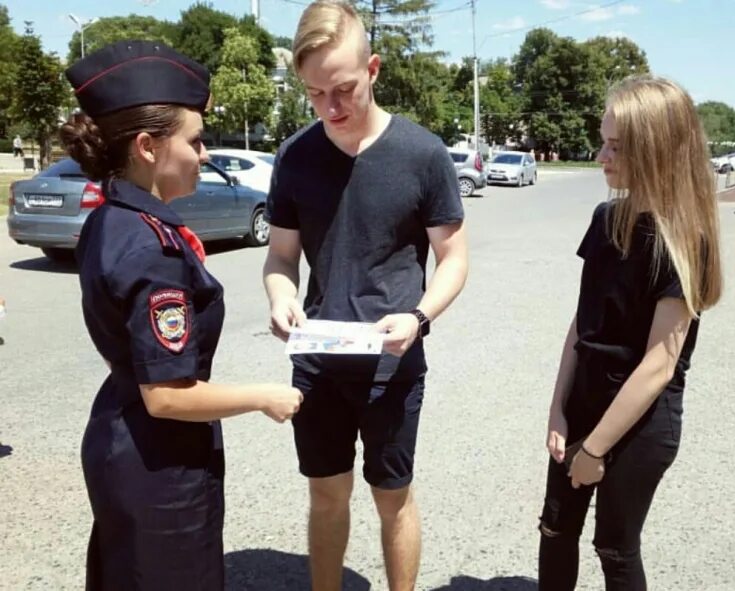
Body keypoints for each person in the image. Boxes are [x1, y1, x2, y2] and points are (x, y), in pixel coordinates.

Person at [60, 40, 303, 590]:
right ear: (147, 146)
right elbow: (167, 394)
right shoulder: (152, 249)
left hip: (121, 441)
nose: (204, 155)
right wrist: (266, 397)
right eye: (194, 141)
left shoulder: (112, 215)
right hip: (157, 464)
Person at [263, 2, 468, 589]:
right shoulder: (296, 155)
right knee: (327, 498)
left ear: (373, 69)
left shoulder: (422, 154)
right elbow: (280, 256)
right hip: (319, 364)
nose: (331, 107)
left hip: (393, 363)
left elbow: (454, 258)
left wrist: (419, 316)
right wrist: (281, 294)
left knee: (392, 500)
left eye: (344, 88)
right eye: (315, 93)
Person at [538, 75, 723, 591]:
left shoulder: (685, 240)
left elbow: (659, 365)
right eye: (603, 142)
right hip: (583, 404)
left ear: (657, 151)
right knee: (555, 529)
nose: (601, 156)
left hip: (641, 421)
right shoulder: (606, 219)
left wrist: (594, 451)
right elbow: (582, 324)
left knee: (614, 548)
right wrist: (559, 408)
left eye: (616, 147)